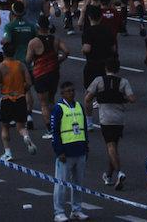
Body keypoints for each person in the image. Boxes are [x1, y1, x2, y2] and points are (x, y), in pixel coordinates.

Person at [0, 40, 38, 161]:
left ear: (4, 53)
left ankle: (8, 153)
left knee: (5, 127)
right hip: (20, 98)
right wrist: (23, 90)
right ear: (14, 53)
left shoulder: (0, 66)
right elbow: (29, 82)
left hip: (7, 99)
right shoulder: (21, 65)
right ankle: (25, 136)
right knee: (21, 127)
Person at [85, 56, 135, 189]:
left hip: (106, 118)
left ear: (105, 68)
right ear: (118, 69)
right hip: (119, 118)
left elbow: (88, 98)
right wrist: (120, 97)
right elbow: (132, 98)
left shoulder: (99, 81)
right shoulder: (123, 82)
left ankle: (119, 172)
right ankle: (108, 175)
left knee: (110, 146)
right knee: (114, 147)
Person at [50, 80, 89, 222]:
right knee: (61, 184)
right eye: (69, 91)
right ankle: (58, 212)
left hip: (80, 151)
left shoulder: (79, 106)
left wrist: (86, 147)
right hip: (65, 154)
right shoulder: (58, 108)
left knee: (79, 184)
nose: (72, 93)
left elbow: (84, 127)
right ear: (62, 94)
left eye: (73, 90)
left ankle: (76, 210)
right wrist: (59, 151)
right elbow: (54, 132)